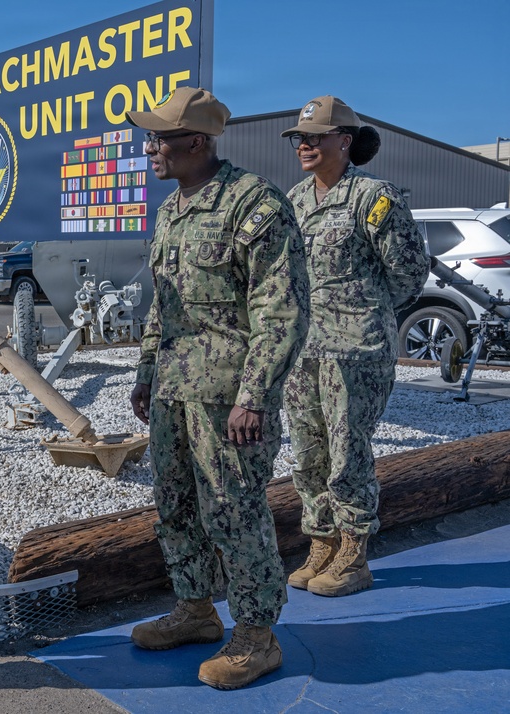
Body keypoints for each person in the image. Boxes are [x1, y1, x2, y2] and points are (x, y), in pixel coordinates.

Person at [126, 87, 310, 690]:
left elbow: (280, 312)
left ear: (197, 143)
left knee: (234, 513)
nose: (150, 148)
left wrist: (254, 396)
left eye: (159, 138)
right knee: (176, 509)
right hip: (177, 393)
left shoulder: (253, 205)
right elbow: (163, 309)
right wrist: (146, 375)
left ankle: (258, 636)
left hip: (228, 398)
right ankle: (196, 610)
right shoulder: (172, 210)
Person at [279, 96, 430, 597]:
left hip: (356, 353)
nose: (304, 145)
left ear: (344, 141)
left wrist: (363, 310)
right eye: (300, 138)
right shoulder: (296, 200)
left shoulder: (373, 197)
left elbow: (409, 272)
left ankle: (353, 552)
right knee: (307, 455)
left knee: (348, 455)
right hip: (304, 351)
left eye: (315, 137)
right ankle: (320, 541)